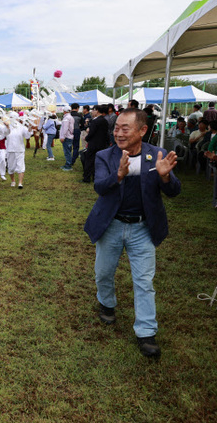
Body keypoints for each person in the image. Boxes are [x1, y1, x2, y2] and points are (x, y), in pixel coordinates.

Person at [84, 108, 180, 357]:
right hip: (111, 225)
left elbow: (173, 192)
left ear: (142, 130)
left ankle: (146, 331)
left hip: (142, 229)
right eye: (117, 127)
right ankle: (106, 304)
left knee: (144, 281)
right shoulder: (106, 155)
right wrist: (118, 175)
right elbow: (99, 187)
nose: (119, 132)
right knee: (103, 273)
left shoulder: (156, 155)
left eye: (125, 128)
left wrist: (166, 177)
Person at [82, 105, 110, 183]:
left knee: (89, 161)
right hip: (102, 144)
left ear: (97, 111)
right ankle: (95, 177)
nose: (92, 112)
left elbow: (92, 133)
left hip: (93, 144)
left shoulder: (95, 121)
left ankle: (86, 178)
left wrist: (86, 138)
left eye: (93, 110)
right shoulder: (104, 120)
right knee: (98, 162)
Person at [60, 106, 75, 171]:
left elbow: (65, 128)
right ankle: (67, 164)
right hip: (70, 136)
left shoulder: (66, 118)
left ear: (65, 111)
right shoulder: (71, 117)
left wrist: (63, 136)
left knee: (67, 152)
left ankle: (68, 166)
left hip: (67, 137)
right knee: (68, 151)